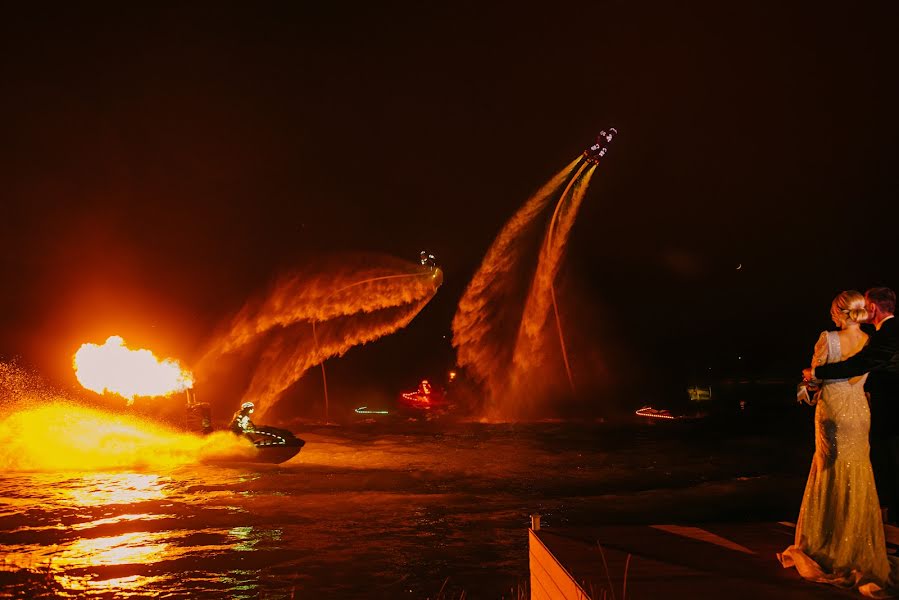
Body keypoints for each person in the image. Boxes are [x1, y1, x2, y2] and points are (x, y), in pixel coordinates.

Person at [781, 290, 897, 595]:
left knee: (829, 472)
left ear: (837, 312)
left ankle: (824, 544)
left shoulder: (828, 339)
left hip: (832, 413)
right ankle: (855, 543)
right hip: (860, 413)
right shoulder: (871, 342)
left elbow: (812, 384)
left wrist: (804, 387)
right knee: (857, 472)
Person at [804, 287, 899, 522]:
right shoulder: (871, 338)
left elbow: (856, 366)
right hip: (862, 409)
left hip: (851, 409)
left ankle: (834, 522)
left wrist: (814, 374)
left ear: (873, 308)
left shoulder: (883, 335)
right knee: (863, 466)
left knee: (833, 464)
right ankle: (863, 522)